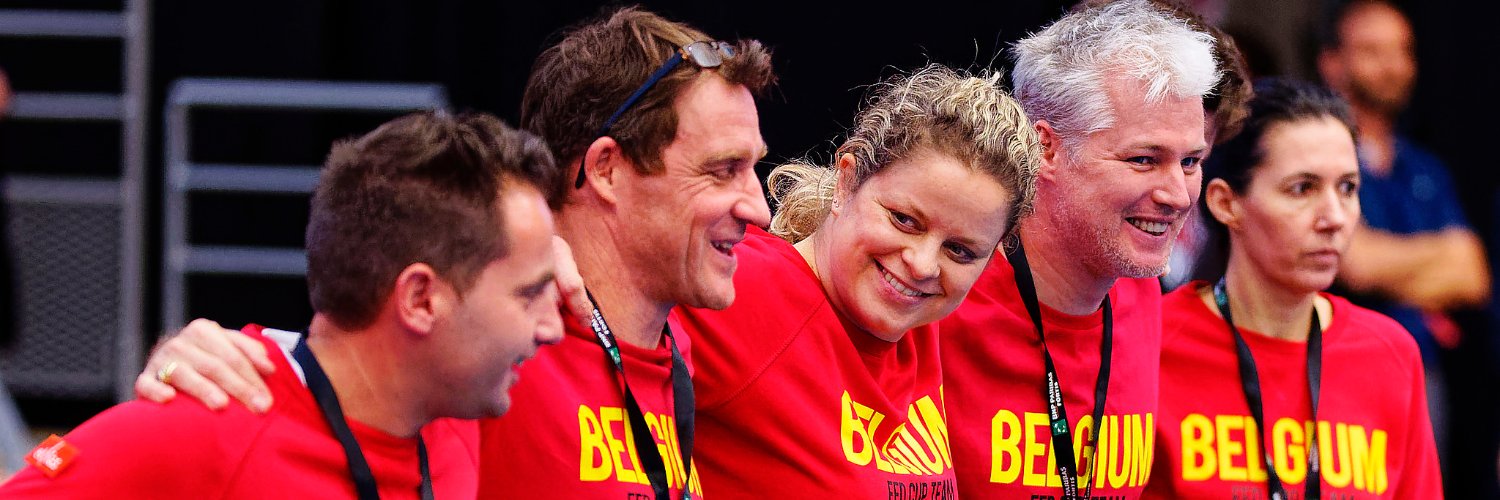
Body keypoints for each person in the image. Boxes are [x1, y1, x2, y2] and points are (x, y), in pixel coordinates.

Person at [133, 7, 776, 499]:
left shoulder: (691, 335)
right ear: (605, 169)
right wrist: (183, 361)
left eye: (753, 168)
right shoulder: (497, 333)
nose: (758, 207)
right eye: (723, 170)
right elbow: (333, 366)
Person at [0, 111, 567, 497]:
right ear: (420, 299)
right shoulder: (206, 424)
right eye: (528, 294)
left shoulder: (458, 414)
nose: (552, 326)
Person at [673, 64, 1037, 497]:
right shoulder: (746, 286)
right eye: (904, 220)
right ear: (847, 181)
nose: (923, 265)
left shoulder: (919, 330)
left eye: (959, 250)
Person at [936, 0, 1219, 497]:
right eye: (1143, 159)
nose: (1178, 195)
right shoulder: (937, 294)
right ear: (1046, 148)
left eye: (1190, 162)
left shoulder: (1142, 294)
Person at [1145, 77, 1442, 499]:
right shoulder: (1152, 345)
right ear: (1226, 203)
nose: (1334, 217)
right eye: (1302, 188)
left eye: (1348, 188)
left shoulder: (1391, 354)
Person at [1317, 0, 1488, 461]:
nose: (1392, 66)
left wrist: (1385, 262)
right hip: (1337, 373)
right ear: (1331, 62)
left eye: (1402, 51)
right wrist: (1437, 258)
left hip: (1424, 374)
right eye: (1372, 51)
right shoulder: (1319, 156)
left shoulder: (1425, 166)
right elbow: (1355, 262)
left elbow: (1472, 273)